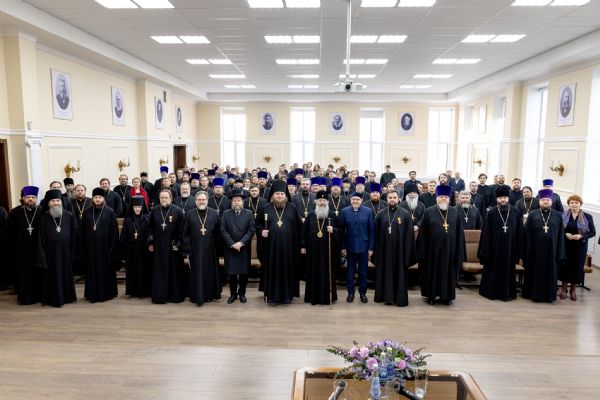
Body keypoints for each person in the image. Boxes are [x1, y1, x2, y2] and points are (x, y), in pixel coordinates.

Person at [417, 185, 465, 305]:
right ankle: (431, 296)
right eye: (441, 197)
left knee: (448, 274)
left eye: (445, 197)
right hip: (432, 251)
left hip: (450, 251)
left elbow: (460, 234)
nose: (443, 199)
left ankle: (446, 296)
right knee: (432, 273)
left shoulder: (454, 212)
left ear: (449, 198)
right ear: (437, 198)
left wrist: (459, 252)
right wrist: (422, 252)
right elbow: (422, 233)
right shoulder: (428, 212)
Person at [259, 180, 302, 304]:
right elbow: (258, 225)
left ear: (286, 195)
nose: (279, 196)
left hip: (288, 248)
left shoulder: (292, 208)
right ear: (273, 195)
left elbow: (299, 227)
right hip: (271, 248)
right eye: (277, 194)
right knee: (272, 269)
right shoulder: (266, 208)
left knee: (287, 270)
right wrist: (261, 231)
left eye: (282, 194)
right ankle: (271, 295)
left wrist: (300, 245)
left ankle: (287, 295)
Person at [477, 186, 523, 301]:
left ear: (508, 198)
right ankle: (491, 292)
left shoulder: (516, 212)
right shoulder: (491, 213)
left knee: (508, 270)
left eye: (505, 198)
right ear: (497, 199)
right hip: (494, 250)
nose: (503, 200)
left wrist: (518, 250)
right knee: (493, 270)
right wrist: (486, 251)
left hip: (510, 250)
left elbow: (520, 232)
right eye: (500, 198)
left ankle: (507, 293)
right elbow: (486, 233)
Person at [522, 189, 566, 303]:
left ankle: (549, 296)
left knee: (550, 273)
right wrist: (526, 252)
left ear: (551, 201)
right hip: (535, 252)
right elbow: (527, 234)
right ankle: (532, 294)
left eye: (548, 200)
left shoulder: (558, 216)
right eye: (543, 200)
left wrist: (560, 253)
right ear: (539, 201)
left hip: (552, 251)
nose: (545, 202)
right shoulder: (532, 214)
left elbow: (561, 235)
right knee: (534, 272)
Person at [36, 189, 78, 307]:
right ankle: (53, 299)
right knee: (52, 277)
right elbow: (40, 239)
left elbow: (74, 235)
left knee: (66, 275)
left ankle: (67, 297)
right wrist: (42, 256)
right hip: (50, 254)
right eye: (53, 201)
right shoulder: (44, 217)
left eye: (58, 200)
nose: (56, 203)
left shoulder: (69, 215)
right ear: (48, 203)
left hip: (66, 253)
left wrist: (73, 253)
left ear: (61, 202)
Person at [373, 190, 415, 307]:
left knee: (399, 274)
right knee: (385, 274)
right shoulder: (381, 214)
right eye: (390, 197)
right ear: (386, 199)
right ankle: (385, 297)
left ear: (399, 199)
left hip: (400, 252)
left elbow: (409, 236)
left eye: (394, 197)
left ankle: (399, 298)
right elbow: (376, 234)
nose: (392, 199)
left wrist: (407, 253)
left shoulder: (405, 214)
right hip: (384, 251)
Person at [301, 191, 342, 305]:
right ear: (316, 202)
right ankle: (313, 297)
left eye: (324, 200)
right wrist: (303, 245)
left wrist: (334, 230)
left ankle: (327, 297)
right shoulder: (310, 215)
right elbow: (304, 232)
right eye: (320, 200)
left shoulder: (333, 215)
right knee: (313, 272)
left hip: (328, 250)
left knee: (327, 273)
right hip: (313, 250)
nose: (322, 202)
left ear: (328, 202)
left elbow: (341, 231)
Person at [5, 186, 43, 304]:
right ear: (23, 198)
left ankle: (39, 296)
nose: (30, 199)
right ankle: (25, 298)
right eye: (28, 197)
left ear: (36, 198)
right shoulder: (15, 212)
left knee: (38, 272)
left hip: (38, 249)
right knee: (23, 274)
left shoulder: (42, 211)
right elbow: (9, 233)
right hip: (21, 250)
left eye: (33, 197)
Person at [182, 191, 221, 306]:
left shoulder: (214, 213)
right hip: (195, 249)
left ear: (207, 201)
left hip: (210, 249)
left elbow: (218, 233)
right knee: (197, 272)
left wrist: (217, 249)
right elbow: (185, 234)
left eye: (203, 199)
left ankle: (209, 295)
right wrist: (187, 250)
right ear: (195, 201)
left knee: (209, 271)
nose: (201, 202)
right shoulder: (189, 214)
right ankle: (197, 296)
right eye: (199, 200)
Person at [81, 188, 119, 303]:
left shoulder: (110, 212)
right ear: (92, 199)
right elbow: (82, 232)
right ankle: (92, 294)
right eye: (96, 197)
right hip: (91, 249)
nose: (98, 199)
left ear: (103, 199)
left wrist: (112, 249)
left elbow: (114, 233)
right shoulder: (87, 212)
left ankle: (107, 294)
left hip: (105, 249)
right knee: (92, 271)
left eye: (100, 197)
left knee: (105, 272)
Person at [148, 189, 186, 304]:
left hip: (172, 247)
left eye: (166, 198)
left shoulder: (178, 211)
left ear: (171, 198)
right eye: (162, 198)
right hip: (158, 246)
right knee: (159, 272)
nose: (164, 199)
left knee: (174, 272)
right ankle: (160, 296)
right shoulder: (154, 210)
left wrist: (178, 244)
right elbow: (149, 228)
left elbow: (183, 231)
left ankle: (174, 296)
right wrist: (150, 242)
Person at [220, 189, 255, 304]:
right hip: (230, 248)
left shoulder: (249, 213)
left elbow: (251, 230)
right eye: (234, 200)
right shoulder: (226, 213)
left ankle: (242, 293)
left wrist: (241, 243)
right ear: (231, 202)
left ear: (242, 202)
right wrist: (232, 244)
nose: (236, 202)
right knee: (232, 274)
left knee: (244, 273)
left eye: (238, 200)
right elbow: (223, 230)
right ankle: (233, 294)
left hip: (244, 248)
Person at [340, 192, 375, 304]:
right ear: (350, 200)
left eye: (357, 199)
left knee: (363, 272)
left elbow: (372, 232)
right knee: (350, 272)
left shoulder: (368, 212)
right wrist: (343, 247)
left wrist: (371, 248)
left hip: (364, 247)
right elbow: (341, 231)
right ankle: (350, 293)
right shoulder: (344, 211)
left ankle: (363, 293)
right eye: (353, 199)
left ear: (361, 201)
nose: (355, 201)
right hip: (349, 247)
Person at [559, 195, 595, 301]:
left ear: (580, 204)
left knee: (576, 267)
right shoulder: (563, 215)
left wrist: (581, 236)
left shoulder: (587, 216)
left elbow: (592, 232)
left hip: (580, 246)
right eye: (572, 202)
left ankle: (573, 290)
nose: (574, 204)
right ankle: (564, 289)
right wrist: (565, 234)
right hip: (566, 245)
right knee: (565, 266)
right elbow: (559, 229)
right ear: (568, 204)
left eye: (576, 202)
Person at [120, 196, 151, 298]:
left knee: (143, 270)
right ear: (132, 207)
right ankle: (132, 291)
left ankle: (143, 292)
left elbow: (149, 234)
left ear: (142, 207)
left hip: (143, 249)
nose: (137, 209)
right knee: (132, 270)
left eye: (139, 207)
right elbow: (123, 236)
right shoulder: (128, 220)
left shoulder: (147, 219)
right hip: (131, 249)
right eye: (135, 207)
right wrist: (123, 252)